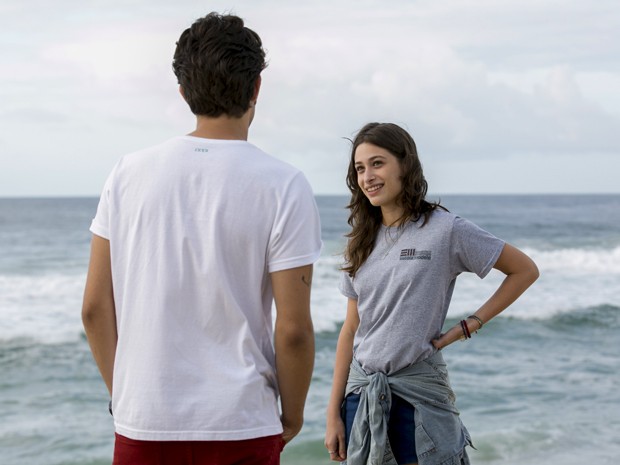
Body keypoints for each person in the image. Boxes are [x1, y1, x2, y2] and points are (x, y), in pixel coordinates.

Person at [82, 12, 322, 465]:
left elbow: (95, 307)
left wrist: (129, 396)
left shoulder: (127, 173)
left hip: (143, 423)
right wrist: (292, 415)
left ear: (183, 92)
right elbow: (293, 329)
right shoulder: (284, 184)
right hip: (242, 423)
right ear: (256, 89)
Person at [324, 122, 539, 465]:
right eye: (360, 168)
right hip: (360, 395)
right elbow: (350, 330)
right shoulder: (360, 240)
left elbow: (524, 270)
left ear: (405, 164)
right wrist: (333, 411)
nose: (367, 177)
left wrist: (469, 324)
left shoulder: (445, 229)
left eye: (377, 163)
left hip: (418, 396)